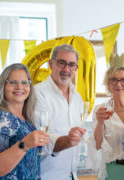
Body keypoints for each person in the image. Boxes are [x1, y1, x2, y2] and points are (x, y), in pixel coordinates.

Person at [0, 63, 49, 179]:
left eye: (24, 82)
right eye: (13, 82)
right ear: (2, 86)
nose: (19, 87)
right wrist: (25, 144)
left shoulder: (25, 117)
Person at [34, 44, 86, 180]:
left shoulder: (78, 97)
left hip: (72, 175)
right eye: (62, 63)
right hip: (47, 176)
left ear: (76, 68)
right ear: (51, 64)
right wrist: (67, 141)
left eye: (71, 65)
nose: (66, 69)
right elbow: (41, 139)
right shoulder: (37, 93)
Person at [87, 66, 124, 180]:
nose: (118, 84)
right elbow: (98, 145)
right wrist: (100, 123)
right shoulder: (100, 109)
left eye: (123, 79)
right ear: (108, 83)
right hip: (113, 171)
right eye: (113, 79)